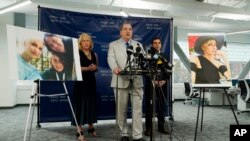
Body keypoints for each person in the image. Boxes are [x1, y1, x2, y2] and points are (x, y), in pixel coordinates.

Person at [107, 21, 145, 141]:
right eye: (125, 29)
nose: (128, 31)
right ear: (121, 31)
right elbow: (111, 58)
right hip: (120, 80)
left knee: (137, 110)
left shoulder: (138, 44)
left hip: (136, 81)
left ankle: (137, 135)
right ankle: (124, 134)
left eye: (130, 29)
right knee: (121, 110)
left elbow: (143, 60)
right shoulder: (113, 44)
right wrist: (114, 68)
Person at [72, 33, 98, 141]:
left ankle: (91, 128)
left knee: (90, 105)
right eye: (84, 41)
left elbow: (96, 67)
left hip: (91, 83)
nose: (86, 43)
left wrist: (94, 68)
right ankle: (79, 131)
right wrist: (87, 68)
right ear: (80, 43)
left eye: (88, 40)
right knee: (80, 107)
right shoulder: (77, 53)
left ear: (90, 42)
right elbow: (75, 69)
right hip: (80, 84)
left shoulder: (94, 54)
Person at [144, 37, 170, 136]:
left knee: (161, 106)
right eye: (155, 43)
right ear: (152, 44)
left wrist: (164, 80)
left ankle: (161, 127)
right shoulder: (148, 56)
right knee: (150, 107)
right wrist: (153, 80)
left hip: (162, 84)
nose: (157, 44)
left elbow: (168, 70)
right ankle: (149, 128)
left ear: (161, 44)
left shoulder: (164, 56)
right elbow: (145, 70)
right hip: (151, 84)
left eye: (159, 43)